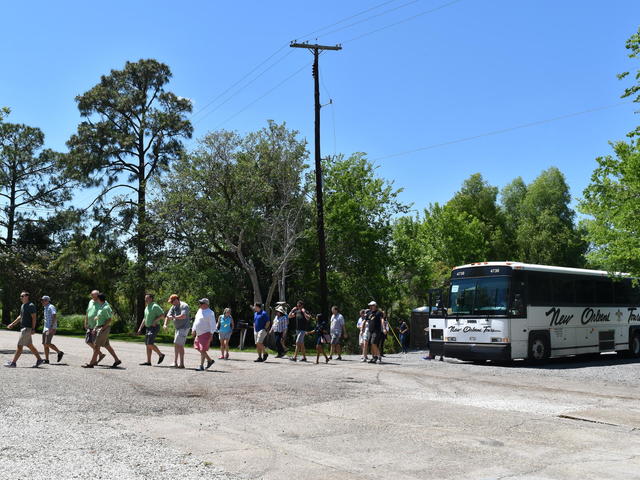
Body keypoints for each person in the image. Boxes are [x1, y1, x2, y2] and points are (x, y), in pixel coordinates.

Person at [4, 291, 44, 368]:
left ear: (27, 296)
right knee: (29, 345)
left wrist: (33, 328)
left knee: (19, 346)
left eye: (22, 296)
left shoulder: (30, 305)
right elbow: (20, 316)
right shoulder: (23, 305)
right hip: (24, 328)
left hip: (27, 328)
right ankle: (39, 360)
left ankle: (13, 363)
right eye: (21, 296)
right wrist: (12, 324)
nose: (21, 297)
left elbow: (34, 317)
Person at [82, 293, 122, 368]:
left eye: (96, 298)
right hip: (99, 327)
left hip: (103, 328)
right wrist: (95, 327)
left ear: (99, 299)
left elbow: (109, 319)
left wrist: (102, 328)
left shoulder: (105, 308)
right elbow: (101, 317)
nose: (95, 299)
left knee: (97, 346)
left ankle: (91, 363)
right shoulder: (101, 306)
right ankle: (117, 360)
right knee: (107, 345)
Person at [137, 293, 166, 366]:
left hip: (154, 327)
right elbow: (144, 318)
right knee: (147, 344)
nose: (145, 299)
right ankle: (148, 361)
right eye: (145, 298)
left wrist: (155, 321)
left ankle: (160, 354)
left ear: (151, 299)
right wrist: (140, 328)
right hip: (148, 327)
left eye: (147, 298)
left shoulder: (155, 306)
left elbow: (163, 315)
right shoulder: (147, 307)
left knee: (149, 343)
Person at [164, 294, 191, 368]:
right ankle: (178, 363)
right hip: (178, 328)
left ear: (176, 300)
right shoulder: (173, 307)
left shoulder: (184, 305)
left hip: (184, 328)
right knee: (178, 345)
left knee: (177, 344)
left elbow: (183, 316)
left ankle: (178, 363)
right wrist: (165, 324)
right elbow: (167, 316)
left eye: (172, 301)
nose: (171, 303)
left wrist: (173, 317)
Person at [191, 298, 216, 371]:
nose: (200, 304)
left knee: (202, 350)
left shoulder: (210, 312)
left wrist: (211, 334)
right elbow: (196, 321)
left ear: (206, 304)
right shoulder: (199, 310)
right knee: (197, 347)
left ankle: (201, 366)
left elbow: (213, 324)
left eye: (201, 303)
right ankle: (210, 361)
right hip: (198, 333)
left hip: (206, 333)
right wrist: (193, 329)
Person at [41, 295, 63, 364]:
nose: (42, 301)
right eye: (42, 300)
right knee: (44, 344)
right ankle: (47, 360)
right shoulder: (45, 307)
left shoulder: (51, 306)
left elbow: (54, 315)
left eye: (43, 300)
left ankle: (59, 352)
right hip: (45, 327)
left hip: (50, 327)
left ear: (47, 300)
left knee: (47, 343)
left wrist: (51, 327)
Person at [85, 290, 105, 364]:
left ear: (98, 295)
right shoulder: (90, 301)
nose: (93, 297)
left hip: (97, 326)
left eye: (94, 295)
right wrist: (85, 322)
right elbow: (87, 312)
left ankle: (94, 361)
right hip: (90, 325)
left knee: (95, 343)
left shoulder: (101, 303)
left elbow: (103, 314)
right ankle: (100, 354)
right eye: (92, 295)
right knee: (88, 341)